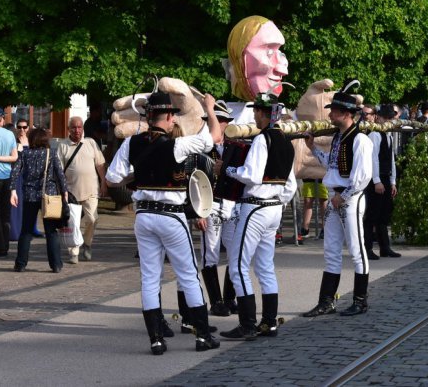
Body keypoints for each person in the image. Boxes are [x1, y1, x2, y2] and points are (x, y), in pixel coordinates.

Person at [106, 91, 222, 355]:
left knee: (149, 277)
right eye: (173, 117)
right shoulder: (176, 145)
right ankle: (203, 335)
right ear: (168, 116)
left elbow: (113, 179)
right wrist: (209, 109)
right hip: (170, 214)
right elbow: (213, 138)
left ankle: (156, 339)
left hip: (144, 215)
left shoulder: (131, 144)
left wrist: (141, 176)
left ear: (148, 116)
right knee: (188, 275)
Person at [220, 90, 297, 340]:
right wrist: (277, 201)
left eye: (256, 111)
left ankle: (248, 323)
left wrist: (228, 168)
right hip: (274, 208)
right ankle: (269, 322)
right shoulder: (286, 142)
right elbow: (291, 186)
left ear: (264, 114)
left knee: (238, 265)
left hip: (256, 206)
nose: (254, 115)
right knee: (265, 266)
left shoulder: (263, 139)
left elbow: (251, 175)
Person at [302, 82, 373, 317]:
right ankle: (326, 301)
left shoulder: (359, 140)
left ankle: (360, 300)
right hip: (335, 196)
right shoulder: (339, 138)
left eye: (333, 111)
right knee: (331, 250)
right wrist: (313, 149)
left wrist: (343, 196)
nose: (330, 114)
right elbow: (332, 167)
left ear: (345, 114)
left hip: (349, 199)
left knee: (356, 249)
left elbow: (362, 177)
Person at [193, 102, 238, 318]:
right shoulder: (202, 149)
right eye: (221, 122)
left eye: (225, 122)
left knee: (234, 252)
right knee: (210, 254)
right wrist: (198, 212)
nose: (223, 126)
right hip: (209, 206)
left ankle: (230, 298)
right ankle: (216, 301)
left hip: (230, 205)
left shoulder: (233, 147)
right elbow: (193, 182)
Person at [10, 128, 68, 273]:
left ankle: (21, 264)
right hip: (49, 196)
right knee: (51, 231)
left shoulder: (25, 154)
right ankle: (56, 264)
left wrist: (13, 191)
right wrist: (64, 192)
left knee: (26, 231)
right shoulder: (51, 153)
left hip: (29, 196)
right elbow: (60, 175)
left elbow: (15, 172)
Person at [57, 116, 108, 263]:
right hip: (71, 192)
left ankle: (87, 243)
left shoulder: (90, 143)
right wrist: (62, 190)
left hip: (91, 190)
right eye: (73, 127)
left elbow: (100, 165)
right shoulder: (63, 145)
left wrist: (104, 182)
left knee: (93, 219)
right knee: (73, 223)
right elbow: (59, 170)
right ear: (69, 129)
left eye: (79, 127)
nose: (77, 130)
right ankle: (74, 251)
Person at [364, 103, 400, 260]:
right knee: (372, 215)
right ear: (380, 118)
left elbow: (391, 159)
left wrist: (392, 181)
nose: (390, 121)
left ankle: (385, 247)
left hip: (386, 177)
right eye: (388, 118)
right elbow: (373, 160)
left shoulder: (388, 135)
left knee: (384, 214)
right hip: (375, 178)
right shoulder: (375, 135)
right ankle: (367, 248)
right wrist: (377, 181)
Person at [0, 106, 18, 258]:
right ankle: (5, 246)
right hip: (7, 177)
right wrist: (0, 158)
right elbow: (14, 157)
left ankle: (0, 247)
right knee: (5, 214)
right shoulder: (9, 134)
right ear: (0, 118)